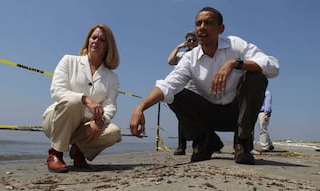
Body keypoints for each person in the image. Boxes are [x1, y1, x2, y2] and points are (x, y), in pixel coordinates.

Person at [130, 7, 279, 165]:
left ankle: (242, 142)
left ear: (221, 29)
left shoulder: (235, 45)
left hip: (238, 114)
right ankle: (206, 141)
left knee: (257, 75)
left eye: (208, 23)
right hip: (209, 115)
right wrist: (140, 107)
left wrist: (236, 63)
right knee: (175, 94)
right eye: (198, 23)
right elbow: (168, 84)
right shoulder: (190, 58)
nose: (202, 27)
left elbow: (273, 66)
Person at [42, 24, 122, 173]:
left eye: (102, 40)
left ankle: (79, 151)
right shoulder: (68, 61)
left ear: (108, 47)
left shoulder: (112, 78)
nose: (96, 41)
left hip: (87, 126)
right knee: (73, 101)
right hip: (57, 121)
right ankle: (55, 153)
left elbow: (110, 106)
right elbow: (56, 90)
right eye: (94, 37)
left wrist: (99, 121)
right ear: (88, 40)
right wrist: (85, 99)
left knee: (114, 133)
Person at [167, 32, 199, 155]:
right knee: (182, 117)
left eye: (194, 41)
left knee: (198, 118)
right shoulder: (181, 55)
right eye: (189, 41)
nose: (191, 43)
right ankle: (181, 146)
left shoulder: (202, 53)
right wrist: (178, 47)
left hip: (198, 89)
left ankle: (197, 145)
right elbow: (170, 61)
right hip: (183, 89)